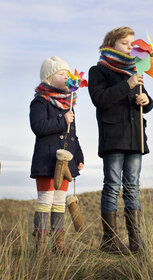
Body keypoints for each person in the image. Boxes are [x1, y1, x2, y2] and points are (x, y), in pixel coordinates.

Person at [88, 27, 153, 254]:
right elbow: (100, 99)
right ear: (111, 43)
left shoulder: (136, 69)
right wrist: (128, 84)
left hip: (136, 138)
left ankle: (136, 241)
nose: (130, 46)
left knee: (133, 187)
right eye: (125, 43)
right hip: (114, 137)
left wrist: (146, 99)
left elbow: (146, 101)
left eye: (132, 43)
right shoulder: (98, 71)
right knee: (113, 185)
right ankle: (110, 240)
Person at [30, 56, 84, 254]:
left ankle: (59, 244)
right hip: (46, 161)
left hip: (66, 162)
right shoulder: (40, 101)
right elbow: (38, 127)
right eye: (61, 74)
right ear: (49, 79)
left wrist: (79, 157)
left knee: (60, 201)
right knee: (45, 200)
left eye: (68, 74)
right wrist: (63, 120)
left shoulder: (69, 105)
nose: (66, 77)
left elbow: (73, 135)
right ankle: (42, 246)